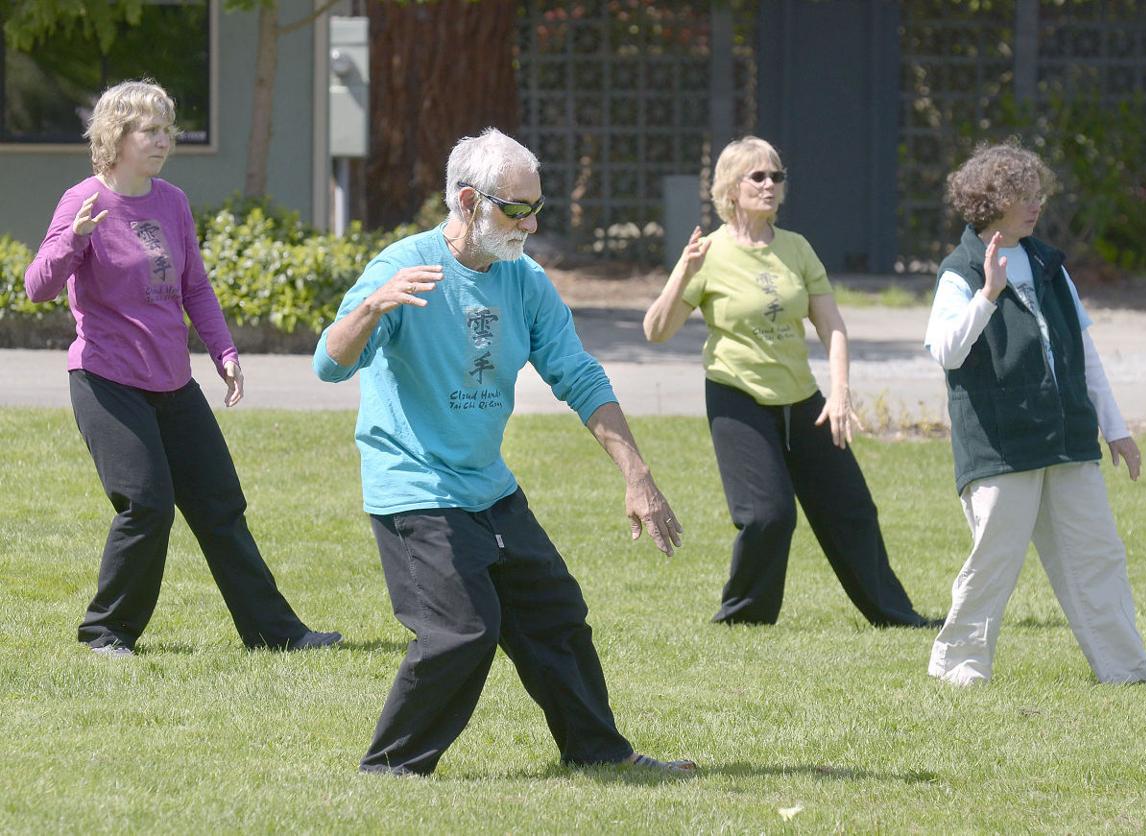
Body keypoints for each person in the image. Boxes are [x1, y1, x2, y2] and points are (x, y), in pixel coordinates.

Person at [314, 128, 696, 777]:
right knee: (462, 630)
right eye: (515, 208)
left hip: (486, 485)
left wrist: (638, 474)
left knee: (554, 613)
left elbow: (578, 375)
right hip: (415, 483)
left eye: (535, 206)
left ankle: (598, 752)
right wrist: (373, 308)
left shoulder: (524, 281)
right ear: (467, 201)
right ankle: (390, 769)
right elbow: (329, 363)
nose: (531, 221)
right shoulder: (404, 267)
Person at [24, 80, 341, 657]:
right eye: (150, 130)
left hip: (173, 382)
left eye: (168, 129)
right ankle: (106, 633)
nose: (163, 140)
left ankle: (275, 634)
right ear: (115, 136)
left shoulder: (171, 201)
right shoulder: (83, 200)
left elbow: (194, 285)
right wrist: (75, 240)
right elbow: (38, 285)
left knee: (221, 505)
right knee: (145, 503)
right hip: (106, 380)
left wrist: (224, 352)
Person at [924, 141, 1146, 687]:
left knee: (1098, 553)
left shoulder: (1049, 263)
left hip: (1068, 438)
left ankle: (1128, 668)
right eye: (1024, 195)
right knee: (994, 561)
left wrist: (1115, 429)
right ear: (991, 202)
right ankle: (958, 666)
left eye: (1038, 194)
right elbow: (946, 351)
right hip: (1002, 446)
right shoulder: (960, 270)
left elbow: (1084, 352)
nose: (1036, 205)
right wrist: (988, 296)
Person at [643, 136, 936, 628]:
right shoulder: (708, 252)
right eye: (758, 176)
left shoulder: (797, 248)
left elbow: (832, 326)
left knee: (852, 509)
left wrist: (840, 392)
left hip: (803, 398)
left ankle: (896, 616)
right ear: (730, 188)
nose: (770, 185)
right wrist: (681, 272)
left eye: (777, 176)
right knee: (767, 516)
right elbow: (656, 331)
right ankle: (743, 619)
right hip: (737, 395)